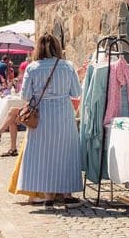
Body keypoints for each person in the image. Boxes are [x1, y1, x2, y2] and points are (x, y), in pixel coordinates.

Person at [16, 33, 83, 207]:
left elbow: (25, 95)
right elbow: (76, 92)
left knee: (42, 155)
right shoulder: (68, 67)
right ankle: (67, 194)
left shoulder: (32, 68)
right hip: (63, 114)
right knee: (66, 152)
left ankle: (48, 197)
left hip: (41, 116)